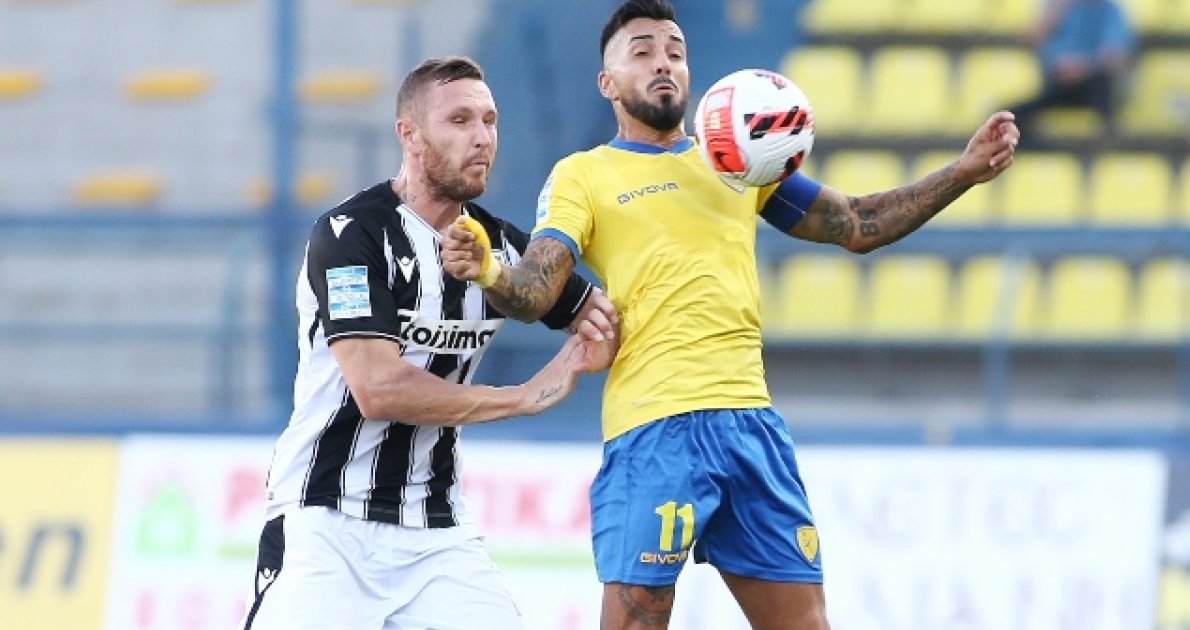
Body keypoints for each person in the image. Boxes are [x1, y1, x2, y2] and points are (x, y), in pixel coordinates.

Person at [439, 1, 1020, 629]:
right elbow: (536, 287)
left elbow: (858, 223)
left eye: (675, 51)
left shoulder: (739, 160)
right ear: (607, 83)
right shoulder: (585, 175)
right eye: (642, 52)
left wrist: (962, 172)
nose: (663, 63)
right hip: (656, 430)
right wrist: (490, 271)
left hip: (751, 428)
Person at [239, 55, 619, 630]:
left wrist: (594, 339)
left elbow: (596, 317)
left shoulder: (500, 250)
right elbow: (379, 389)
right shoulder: (350, 236)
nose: (482, 138)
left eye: (489, 121)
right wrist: (522, 396)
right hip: (326, 521)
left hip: (437, 534)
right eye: (460, 121)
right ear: (410, 135)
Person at [1006, 0, 1134, 143]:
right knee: (1009, 118)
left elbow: (1115, 57)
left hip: (1094, 87)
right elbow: (1031, 39)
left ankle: (1107, 142)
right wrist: (1056, 10)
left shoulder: (1109, 10)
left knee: (1102, 88)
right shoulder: (1059, 9)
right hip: (1059, 85)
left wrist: (1081, 68)